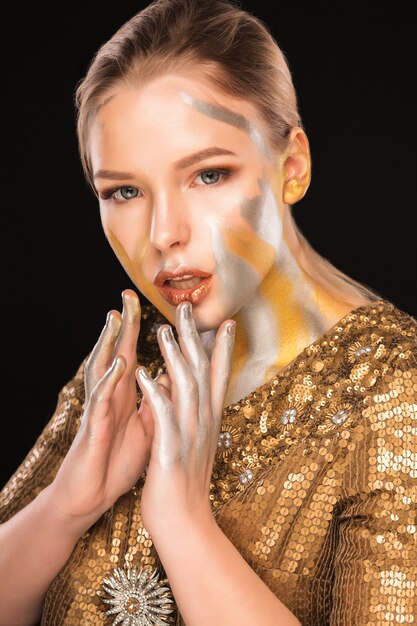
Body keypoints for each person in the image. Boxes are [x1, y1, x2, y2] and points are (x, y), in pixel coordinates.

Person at [1, 0, 416, 624]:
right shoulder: (132, 366)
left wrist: (185, 526)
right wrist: (66, 506)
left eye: (208, 175)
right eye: (124, 191)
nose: (164, 233)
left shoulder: (396, 394)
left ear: (292, 166)